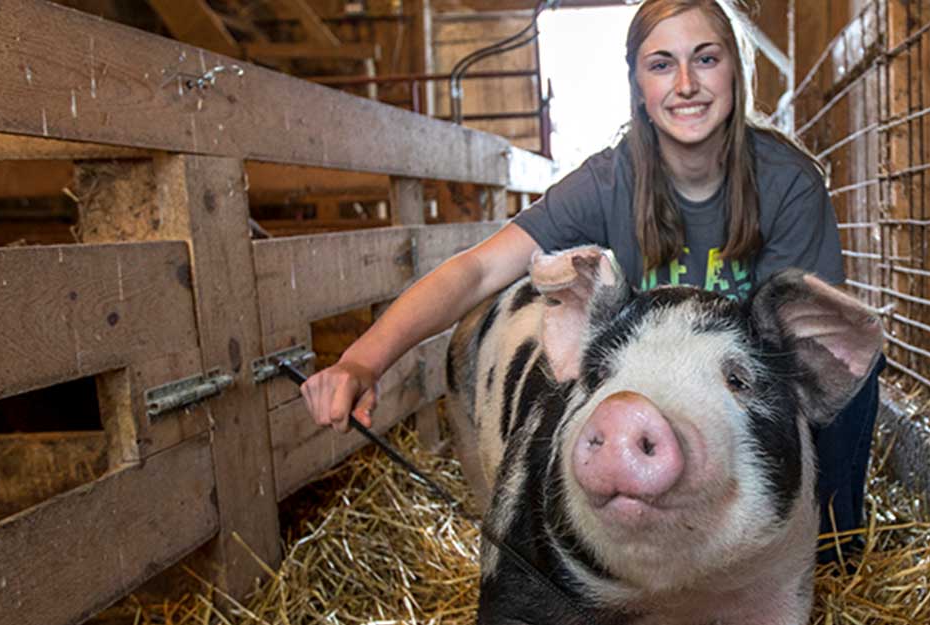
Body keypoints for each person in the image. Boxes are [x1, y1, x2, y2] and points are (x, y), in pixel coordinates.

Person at [298, 0, 882, 564]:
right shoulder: (610, 181)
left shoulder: (787, 182)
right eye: (661, 64)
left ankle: (828, 545)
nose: (686, 84)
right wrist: (364, 360)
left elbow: (794, 359)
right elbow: (478, 270)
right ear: (639, 85)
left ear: (735, 69)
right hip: (647, 394)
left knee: (846, 370)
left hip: (735, 403)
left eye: (706, 58)